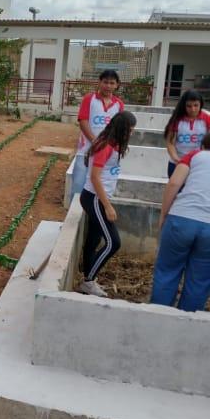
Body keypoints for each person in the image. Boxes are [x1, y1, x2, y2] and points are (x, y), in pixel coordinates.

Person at [77, 110, 135, 295]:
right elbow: (95, 177)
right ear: (120, 128)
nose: (131, 134)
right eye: (129, 130)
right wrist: (107, 206)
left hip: (98, 198)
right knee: (113, 242)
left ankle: (89, 278)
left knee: (93, 240)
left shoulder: (113, 145)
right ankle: (88, 281)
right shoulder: (106, 146)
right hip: (94, 198)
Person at [149, 140, 210, 313]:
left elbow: (174, 183)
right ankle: (186, 323)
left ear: (203, 146)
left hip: (182, 218)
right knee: (200, 279)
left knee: (167, 271)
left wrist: (163, 214)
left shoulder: (194, 155)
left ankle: (157, 317)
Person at [66, 67, 124, 207]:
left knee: (98, 189)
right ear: (99, 82)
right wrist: (95, 141)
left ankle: (90, 221)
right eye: (105, 82)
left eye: (112, 83)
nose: (108, 86)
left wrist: (109, 147)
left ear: (117, 85)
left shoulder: (119, 105)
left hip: (105, 155)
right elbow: (83, 121)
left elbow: (119, 129)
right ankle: (72, 222)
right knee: (78, 186)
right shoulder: (89, 99)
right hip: (85, 151)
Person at [164, 89, 210, 180]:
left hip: (199, 164)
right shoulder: (176, 119)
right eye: (189, 106)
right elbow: (170, 143)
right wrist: (177, 159)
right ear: (183, 105)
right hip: (177, 164)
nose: (193, 109)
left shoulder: (207, 118)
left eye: (196, 105)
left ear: (200, 104)